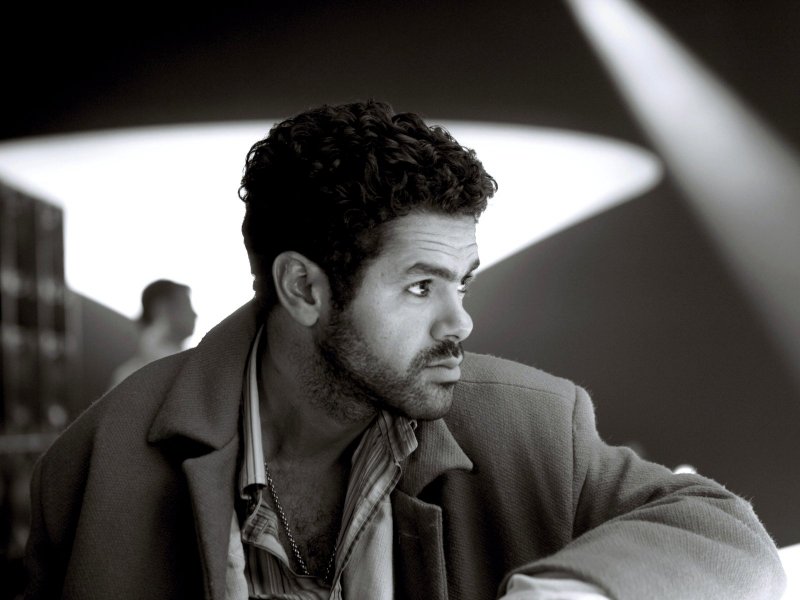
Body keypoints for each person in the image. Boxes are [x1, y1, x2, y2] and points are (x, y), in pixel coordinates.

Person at [24, 100, 785, 599]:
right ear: (304, 288)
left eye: (463, 282)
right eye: (421, 286)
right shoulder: (96, 463)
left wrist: (568, 594)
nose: (461, 322)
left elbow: (724, 530)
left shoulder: (534, 425)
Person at [109, 279, 197, 387]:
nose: (194, 314)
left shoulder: (184, 365)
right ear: (162, 308)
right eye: (186, 305)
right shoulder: (128, 376)